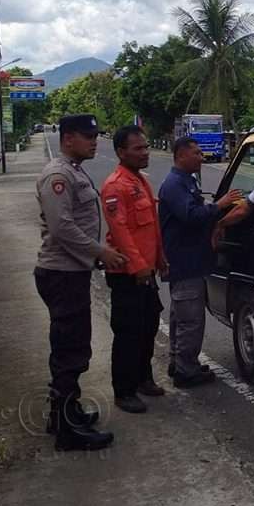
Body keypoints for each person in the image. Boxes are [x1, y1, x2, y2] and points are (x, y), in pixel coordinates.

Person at [35, 113, 124, 451]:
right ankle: (67, 430)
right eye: (87, 137)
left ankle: (64, 412)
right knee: (70, 349)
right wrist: (100, 251)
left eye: (95, 136)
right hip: (62, 273)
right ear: (67, 138)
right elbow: (62, 227)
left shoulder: (72, 170)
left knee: (71, 345)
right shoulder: (58, 174)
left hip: (70, 272)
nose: (94, 141)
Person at [158, 137, 242, 388]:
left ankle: (179, 362)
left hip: (190, 260)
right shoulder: (174, 185)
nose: (201, 157)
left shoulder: (186, 182)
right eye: (196, 153)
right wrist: (220, 205)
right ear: (181, 155)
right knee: (190, 318)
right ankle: (186, 370)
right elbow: (192, 216)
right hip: (185, 262)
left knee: (180, 316)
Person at [100, 126, 168, 413]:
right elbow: (121, 231)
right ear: (121, 152)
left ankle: (143, 378)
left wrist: (160, 260)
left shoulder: (139, 182)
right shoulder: (116, 186)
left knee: (149, 325)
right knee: (128, 332)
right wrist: (139, 266)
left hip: (146, 272)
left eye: (146, 146)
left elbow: (152, 227)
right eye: (137, 148)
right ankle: (124, 390)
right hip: (127, 275)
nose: (145, 152)